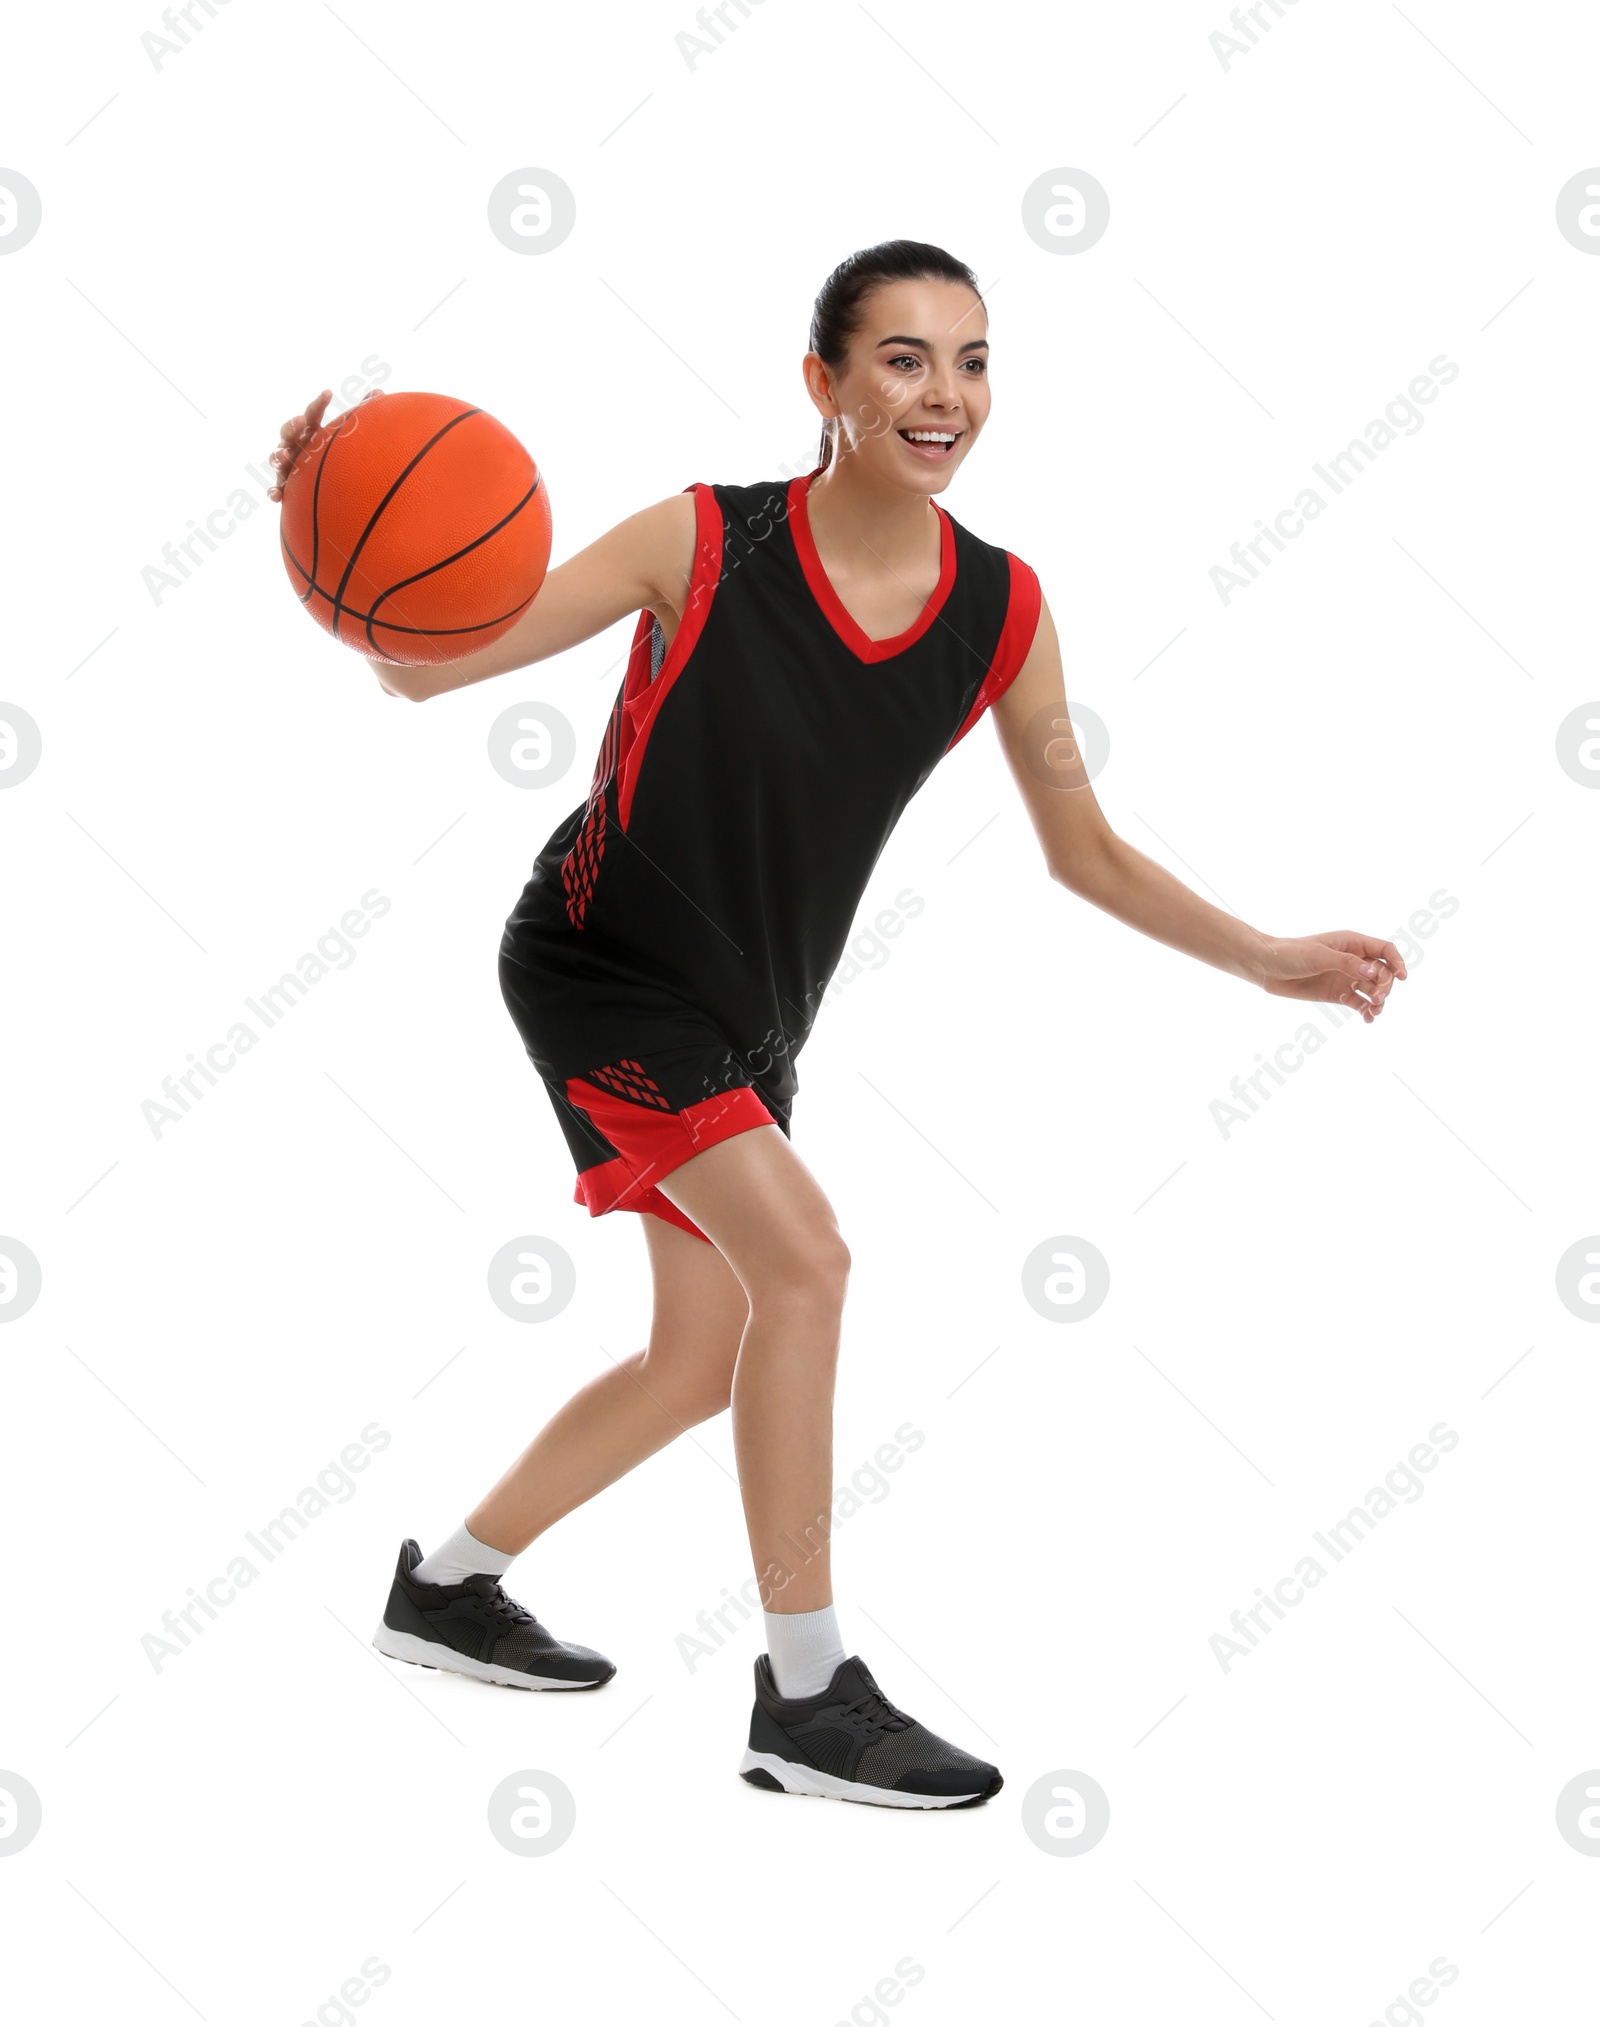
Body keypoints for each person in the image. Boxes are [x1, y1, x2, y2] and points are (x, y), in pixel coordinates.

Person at [267, 239, 1404, 1810]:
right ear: (825, 384)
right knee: (807, 1261)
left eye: (975, 359)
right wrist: (320, 506)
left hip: (750, 1017)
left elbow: (1085, 852)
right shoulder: (702, 540)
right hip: (600, 965)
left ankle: (447, 1588)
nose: (945, 393)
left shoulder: (1004, 608)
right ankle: (806, 1695)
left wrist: (1265, 956)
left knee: (701, 1355)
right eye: (905, 358)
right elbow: (426, 663)